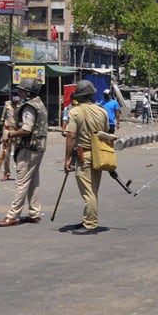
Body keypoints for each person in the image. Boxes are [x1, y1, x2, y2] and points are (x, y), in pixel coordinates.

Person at [0, 78, 47, 227]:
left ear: (28, 92)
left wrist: (11, 134)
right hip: (38, 147)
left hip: (29, 148)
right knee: (33, 181)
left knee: (21, 182)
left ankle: (13, 215)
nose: (19, 92)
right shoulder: (40, 104)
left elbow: (26, 129)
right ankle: (34, 213)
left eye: (22, 90)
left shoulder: (29, 107)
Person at [65, 80, 109, 235]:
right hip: (98, 154)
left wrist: (67, 158)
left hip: (83, 155)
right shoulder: (102, 111)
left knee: (88, 191)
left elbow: (71, 136)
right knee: (93, 189)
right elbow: (105, 134)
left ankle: (90, 224)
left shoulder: (75, 112)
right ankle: (89, 218)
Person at [0, 92, 20, 181]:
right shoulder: (7, 104)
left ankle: (20, 173)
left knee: (18, 154)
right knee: (6, 154)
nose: (15, 98)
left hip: (17, 131)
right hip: (7, 130)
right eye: (14, 96)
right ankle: (6, 173)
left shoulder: (22, 106)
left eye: (17, 96)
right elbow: (2, 118)